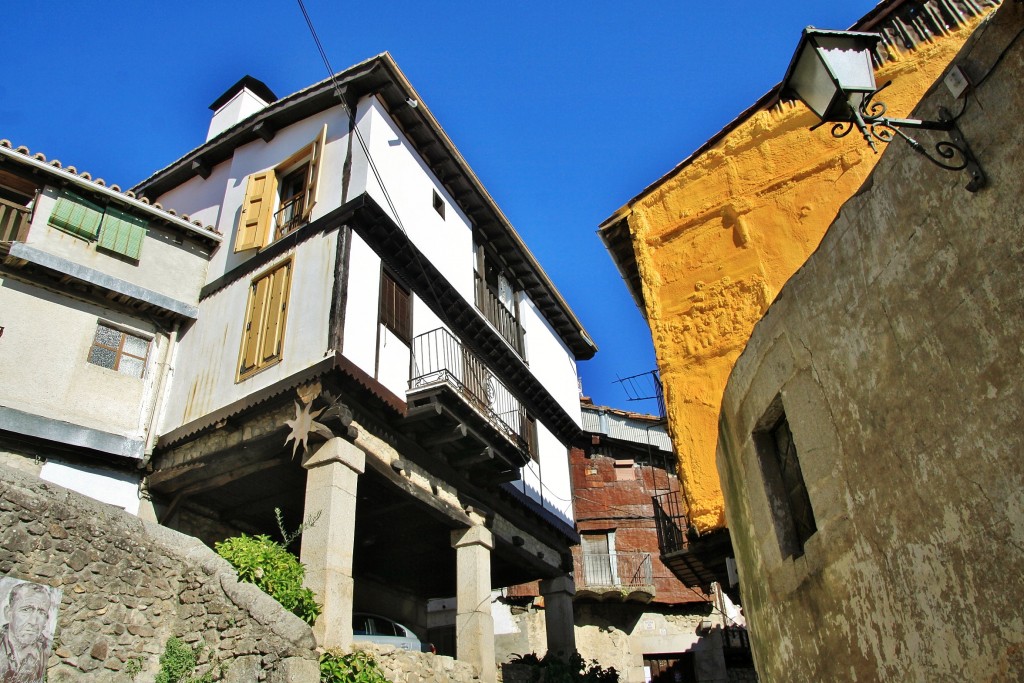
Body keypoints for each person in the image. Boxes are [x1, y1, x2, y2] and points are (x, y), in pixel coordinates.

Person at [0, 582, 53, 683]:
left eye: (41, 612)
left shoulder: (48, 652)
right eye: (26, 610)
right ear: (8, 613)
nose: (33, 621)